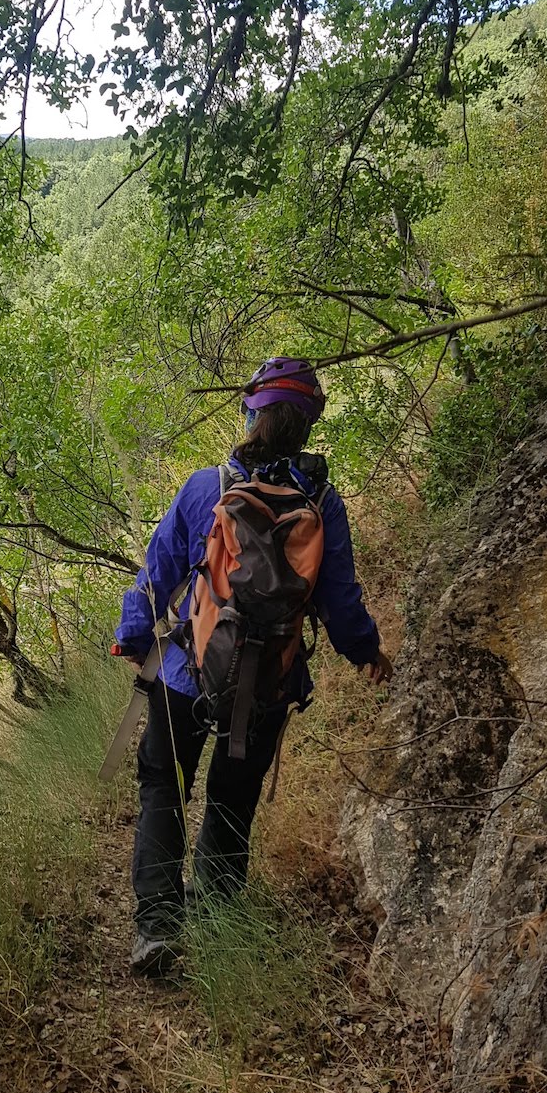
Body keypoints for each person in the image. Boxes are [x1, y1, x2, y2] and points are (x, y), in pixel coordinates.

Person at [112, 357, 393, 976]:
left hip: (186, 673)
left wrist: (133, 635)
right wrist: (368, 652)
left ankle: (157, 928)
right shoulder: (322, 501)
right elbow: (340, 603)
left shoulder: (204, 488)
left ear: (251, 413)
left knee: (164, 782)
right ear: (307, 425)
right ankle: (215, 919)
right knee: (232, 798)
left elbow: (156, 573)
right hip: (269, 681)